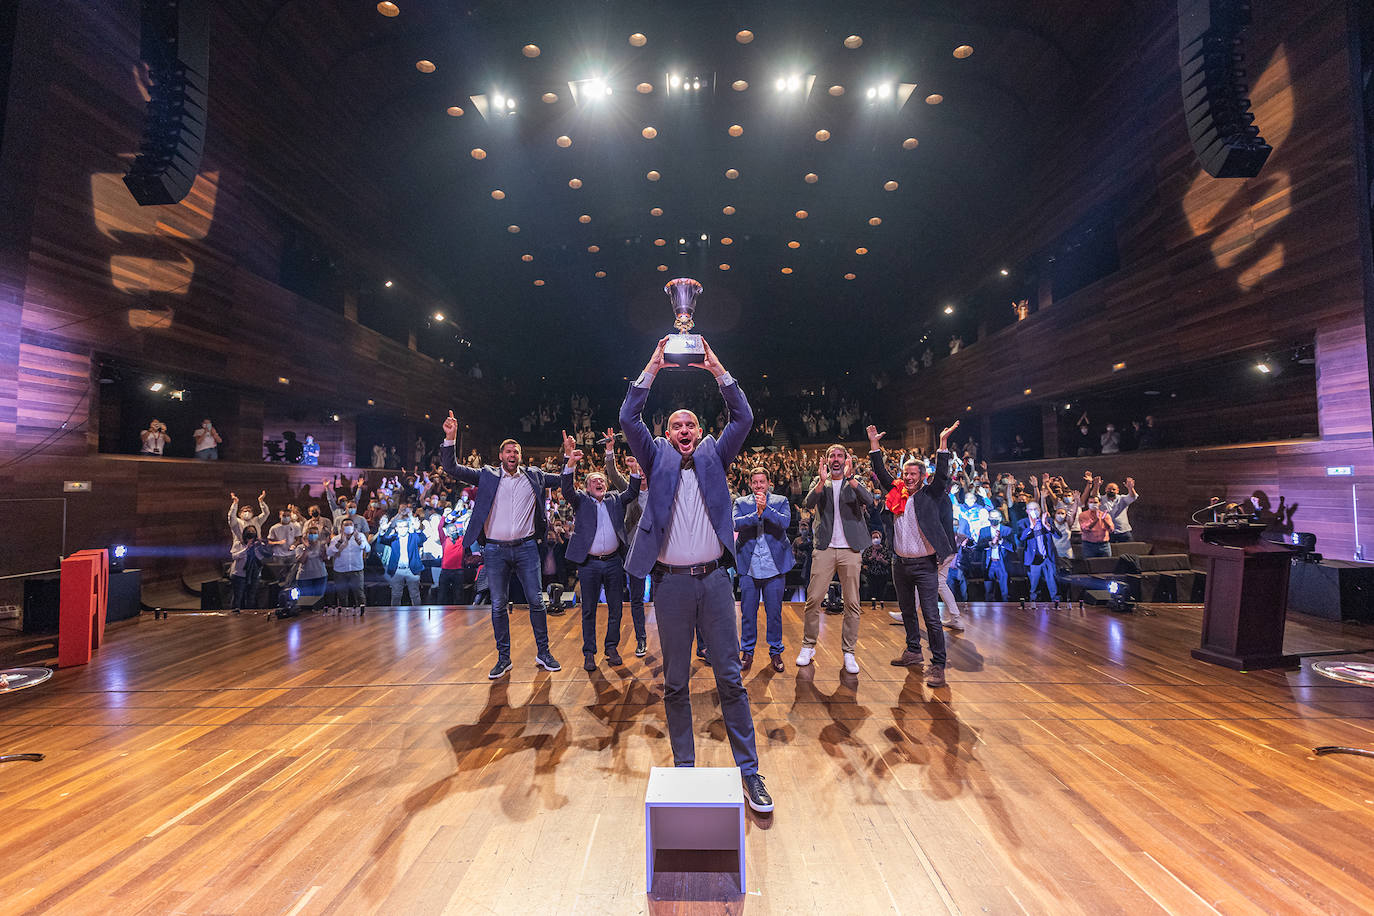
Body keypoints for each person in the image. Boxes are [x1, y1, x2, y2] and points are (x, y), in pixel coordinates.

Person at [619, 335, 772, 814]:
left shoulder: (714, 455)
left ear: (699, 431)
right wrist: (653, 367)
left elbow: (743, 418)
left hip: (713, 582)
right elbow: (628, 418)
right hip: (669, 585)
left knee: (730, 679)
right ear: (666, 435)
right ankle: (684, 769)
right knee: (677, 683)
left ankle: (750, 773)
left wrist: (717, 370)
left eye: (690, 424)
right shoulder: (655, 456)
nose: (683, 429)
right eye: (675, 425)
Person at [440, 415, 564, 678]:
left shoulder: (535, 476)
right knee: (497, 605)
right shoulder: (486, 475)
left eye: (516, 451)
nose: (513, 454)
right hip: (495, 550)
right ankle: (503, 658)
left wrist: (569, 459)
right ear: (500, 456)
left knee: (537, 602)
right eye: (508, 450)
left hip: (527, 548)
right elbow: (451, 468)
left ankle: (544, 653)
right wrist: (451, 438)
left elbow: (565, 479)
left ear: (521, 456)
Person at [869, 421, 960, 688]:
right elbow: (880, 471)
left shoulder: (930, 494)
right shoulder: (896, 492)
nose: (908, 477)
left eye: (913, 474)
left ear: (922, 476)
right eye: (905, 473)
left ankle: (938, 664)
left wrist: (942, 445)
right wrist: (874, 445)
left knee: (931, 616)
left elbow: (942, 476)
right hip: (900, 563)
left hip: (924, 564)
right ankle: (913, 651)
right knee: (908, 611)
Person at [560, 433, 640, 671]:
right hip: (589, 565)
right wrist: (570, 463)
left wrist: (634, 469)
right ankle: (589, 652)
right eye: (594, 481)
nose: (599, 483)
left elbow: (633, 492)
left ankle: (612, 648)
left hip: (614, 563)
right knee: (589, 610)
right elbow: (566, 489)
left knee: (616, 608)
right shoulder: (581, 501)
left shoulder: (615, 499)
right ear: (586, 487)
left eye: (602, 481)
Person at [797, 445, 876, 674]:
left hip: (850, 549)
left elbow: (869, 500)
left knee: (852, 603)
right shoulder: (819, 481)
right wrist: (821, 482)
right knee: (813, 600)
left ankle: (849, 652)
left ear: (846, 459)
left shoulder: (855, 480)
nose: (836, 459)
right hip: (824, 548)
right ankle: (808, 646)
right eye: (832, 456)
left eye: (840, 456)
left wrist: (851, 478)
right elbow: (808, 504)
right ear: (826, 460)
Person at [733, 467, 793, 673]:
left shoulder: (781, 501)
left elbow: (785, 522)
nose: (759, 486)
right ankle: (747, 652)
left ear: (769, 483)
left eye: (762, 482)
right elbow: (734, 524)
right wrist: (757, 514)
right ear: (750, 484)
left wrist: (766, 509)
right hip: (749, 567)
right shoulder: (740, 503)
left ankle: (776, 652)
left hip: (774, 567)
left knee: (774, 613)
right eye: (755, 482)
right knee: (748, 613)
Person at [605, 444, 649, 658]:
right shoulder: (628, 488)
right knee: (637, 598)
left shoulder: (658, 490)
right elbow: (612, 473)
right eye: (637, 470)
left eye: (643, 470)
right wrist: (610, 452)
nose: (641, 473)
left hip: (658, 549)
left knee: (666, 597)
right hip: (633, 548)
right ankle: (641, 639)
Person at [376, 503, 426, 604]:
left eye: (404, 527)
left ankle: (417, 616)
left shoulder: (413, 537)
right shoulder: (394, 538)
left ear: (407, 527)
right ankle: (394, 616)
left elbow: (422, 538)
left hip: (412, 570)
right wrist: (382, 530)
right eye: (400, 527)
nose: (402, 529)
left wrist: (418, 529)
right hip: (397, 570)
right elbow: (381, 540)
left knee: (415, 595)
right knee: (396, 595)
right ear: (397, 528)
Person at [1017, 499, 1060, 603]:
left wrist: (1047, 526)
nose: (1033, 511)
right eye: (1030, 509)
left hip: (1048, 557)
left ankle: (1056, 603)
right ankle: (1033, 603)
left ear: (1040, 510)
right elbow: (1022, 538)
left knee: (1052, 582)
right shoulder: (1023, 523)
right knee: (1034, 584)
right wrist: (1031, 527)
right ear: (1027, 511)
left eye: (1035, 509)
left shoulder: (1048, 520)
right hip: (1034, 558)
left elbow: (1058, 535)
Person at [328, 519, 369, 609]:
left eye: (350, 524)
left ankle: (362, 613)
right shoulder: (336, 538)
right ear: (342, 527)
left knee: (359, 594)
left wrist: (358, 540)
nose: (348, 526)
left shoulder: (360, 536)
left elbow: (367, 548)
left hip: (356, 570)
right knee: (342, 595)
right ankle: (342, 615)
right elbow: (329, 552)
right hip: (340, 571)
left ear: (354, 526)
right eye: (346, 525)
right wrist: (340, 543)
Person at [228, 526, 268, 611]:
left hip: (254, 574)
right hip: (240, 574)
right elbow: (234, 556)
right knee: (238, 597)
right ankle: (235, 614)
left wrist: (260, 546)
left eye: (253, 532)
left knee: (251, 597)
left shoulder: (258, 545)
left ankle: (250, 615)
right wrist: (246, 549)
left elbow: (262, 558)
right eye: (249, 532)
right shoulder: (238, 544)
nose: (251, 534)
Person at [982, 510, 1013, 600]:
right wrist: (990, 543)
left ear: (1000, 518)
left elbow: (1012, 547)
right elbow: (979, 547)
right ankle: (988, 613)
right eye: (991, 517)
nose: (993, 519)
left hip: (1002, 563)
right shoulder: (984, 531)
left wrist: (1001, 541)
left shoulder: (1007, 530)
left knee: (1005, 592)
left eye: (996, 517)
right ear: (988, 518)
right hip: (989, 563)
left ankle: (1007, 613)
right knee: (988, 591)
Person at [1095, 477, 1139, 542]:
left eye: (1113, 489)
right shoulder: (1101, 499)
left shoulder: (1122, 499)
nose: (1111, 491)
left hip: (1123, 531)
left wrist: (1130, 488)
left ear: (1117, 491)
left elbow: (1132, 497)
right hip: (1107, 531)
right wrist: (1096, 486)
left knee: (1129, 551)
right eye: (1109, 489)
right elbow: (1094, 496)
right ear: (1105, 490)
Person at [1078, 491, 1114, 558]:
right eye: (1091, 502)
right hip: (1088, 545)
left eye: (1095, 502)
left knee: (1107, 564)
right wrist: (1096, 520)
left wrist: (1104, 520)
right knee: (1089, 565)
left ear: (1099, 503)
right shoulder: (1083, 515)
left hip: (1104, 545)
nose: (1093, 504)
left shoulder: (1105, 515)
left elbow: (1111, 529)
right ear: (1088, 504)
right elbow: (1085, 529)